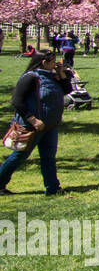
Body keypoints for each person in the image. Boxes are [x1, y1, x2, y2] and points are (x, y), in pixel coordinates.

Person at [0, 50, 73, 196]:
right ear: (44, 63)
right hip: (32, 126)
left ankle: (53, 188)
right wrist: (32, 119)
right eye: (53, 62)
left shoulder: (53, 77)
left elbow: (67, 90)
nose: (55, 65)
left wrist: (61, 73)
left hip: (50, 125)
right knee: (19, 156)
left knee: (48, 157)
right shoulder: (30, 78)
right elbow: (17, 102)